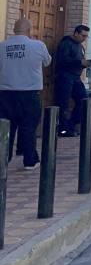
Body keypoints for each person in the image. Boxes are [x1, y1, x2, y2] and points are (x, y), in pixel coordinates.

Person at [0, 18, 51, 169]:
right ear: (30, 30)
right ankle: (30, 160)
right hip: (30, 94)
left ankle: (3, 159)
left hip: (5, 94)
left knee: (5, 128)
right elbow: (47, 62)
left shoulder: (2, 46)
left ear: (14, 30)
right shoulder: (38, 45)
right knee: (29, 127)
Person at [54, 25, 90, 137]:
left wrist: (84, 64)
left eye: (86, 36)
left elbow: (79, 60)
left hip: (76, 77)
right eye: (83, 35)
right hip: (65, 77)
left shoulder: (80, 46)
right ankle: (63, 129)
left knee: (83, 100)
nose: (84, 38)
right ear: (76, 33)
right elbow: (63, 60)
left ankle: (71, 124)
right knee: (63, 103)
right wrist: (79, 62)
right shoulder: (66, 43)